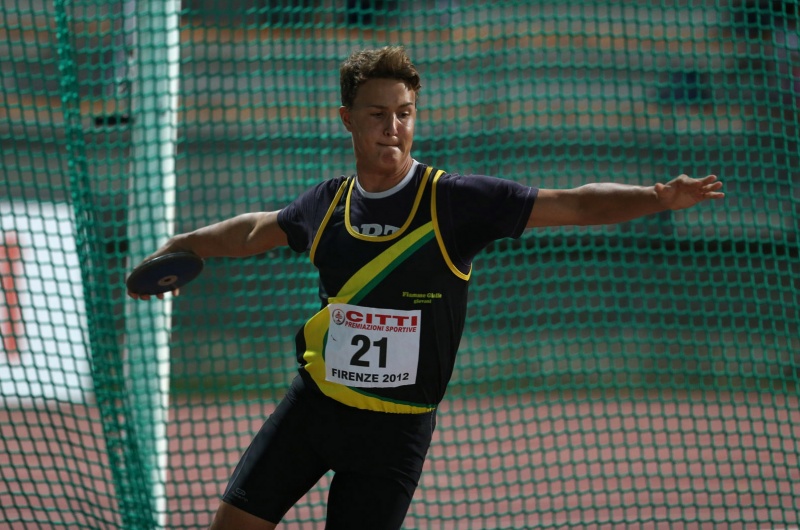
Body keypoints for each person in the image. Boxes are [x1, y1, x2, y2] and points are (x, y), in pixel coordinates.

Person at [127, 46, 724, 530]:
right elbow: (253, 230)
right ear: (347, 118)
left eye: (405, 112)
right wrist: (185, 244)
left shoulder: (453, 201)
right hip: (313, 410)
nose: (393, 127)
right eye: (377, 114)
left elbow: (573, 204)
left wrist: (655, 197)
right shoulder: (327, 203)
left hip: (394, 433)